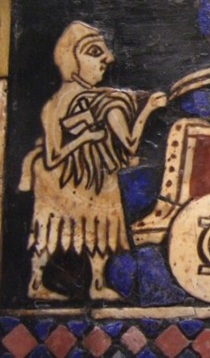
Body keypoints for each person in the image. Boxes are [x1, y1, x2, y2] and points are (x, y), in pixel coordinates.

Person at [19, 21, 167, 300]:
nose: (108, 59)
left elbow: (127, 145)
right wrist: (86, 137)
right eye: (95, 52)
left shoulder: (104, 100)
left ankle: (97, 284)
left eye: (105, 52)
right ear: (72, 60)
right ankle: (36, 282)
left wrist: (145, 109)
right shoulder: (55, 105)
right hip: (60, 178)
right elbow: (53, 156)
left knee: (102, 226)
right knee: (52, 228)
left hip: (96, 174)